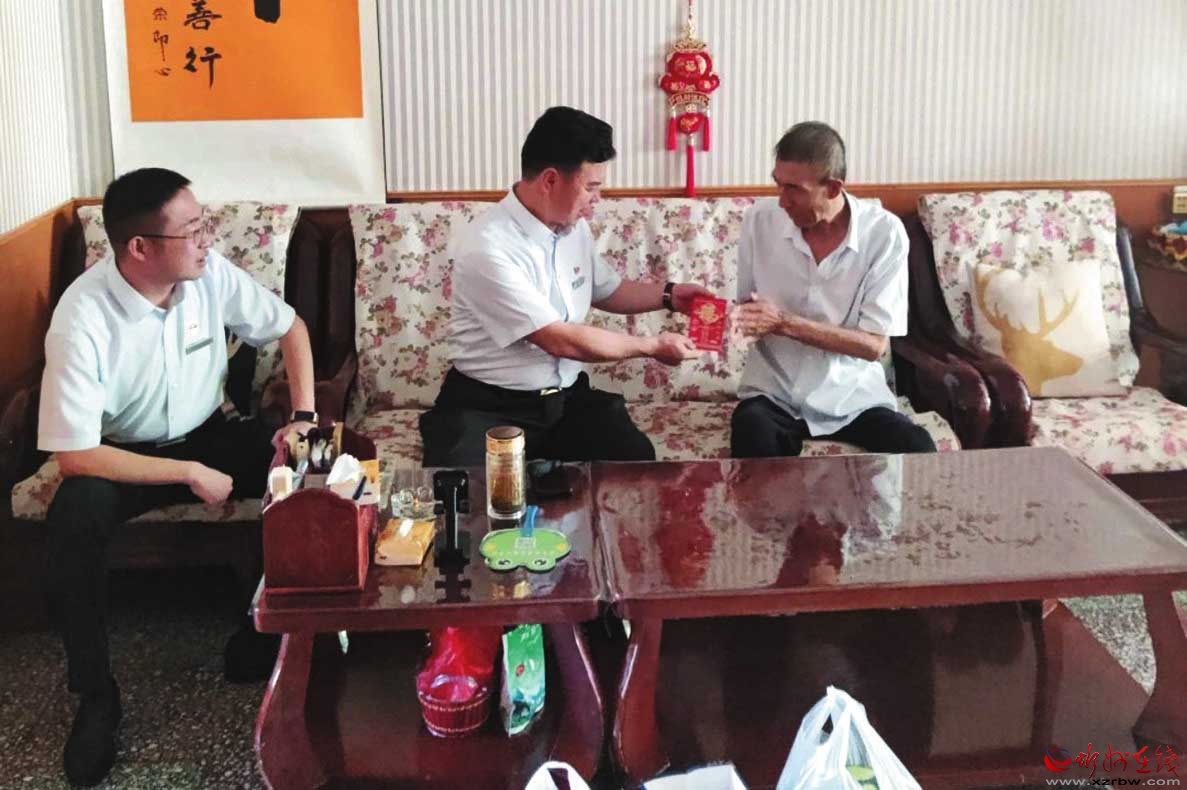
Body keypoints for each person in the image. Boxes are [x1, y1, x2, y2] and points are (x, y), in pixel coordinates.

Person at [38, 167, 317, 786]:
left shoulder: (208, 274)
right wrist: (188, 472)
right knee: (73, 518)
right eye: (191, 230)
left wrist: (302, 419)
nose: (207, 239)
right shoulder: (82, 316)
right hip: (121, 457)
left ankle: (263, 629)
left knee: (304, 474)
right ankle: (95, 696)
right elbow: (74, 455)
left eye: (203, 223)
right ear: (139, 247)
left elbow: (290, 327)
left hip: (208, 431)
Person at [420, 106, 712, 466]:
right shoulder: (488, 246)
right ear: (550, 181)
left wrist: (670, 295)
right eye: (591, 187)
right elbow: (559, 339)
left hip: (564, 401)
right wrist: (651, 346)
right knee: (470, 491)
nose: (597, 199)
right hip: (489, 406)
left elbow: (608, 289)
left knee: (634, 461)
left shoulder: (573, 228)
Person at [730, 122, 935, 457]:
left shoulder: (884, 234)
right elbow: (744, 309)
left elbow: (873, 346)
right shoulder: (759, 220)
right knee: (752, 433)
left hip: (852, 397)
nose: (782, 201)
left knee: (917, 446)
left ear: (833, 187)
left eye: (794, 189)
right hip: (774, 395)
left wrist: (783, 322)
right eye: (778, 184)